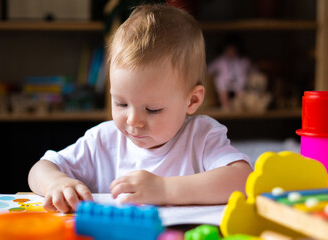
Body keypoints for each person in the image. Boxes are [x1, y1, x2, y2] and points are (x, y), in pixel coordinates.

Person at [28, 4, 253, 213]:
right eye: (121, 103)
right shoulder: (103, 141)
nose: (133, 120)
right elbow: (41, 168)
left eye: (153, 109)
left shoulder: (201, 136)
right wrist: (57, 182)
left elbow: (244, 180)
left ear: (192, 100)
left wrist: (164, 189)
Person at [207, 35, 253, 111]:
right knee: (220, 85)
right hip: (224, 81)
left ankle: (239, 105)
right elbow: (210, 69)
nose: (230, 51)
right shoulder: (221, 60)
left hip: (238, 81)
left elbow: (252, 69)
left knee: (241, 90)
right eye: (228, 49)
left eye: (232, 49)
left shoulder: (243, 60)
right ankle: (225, 105)